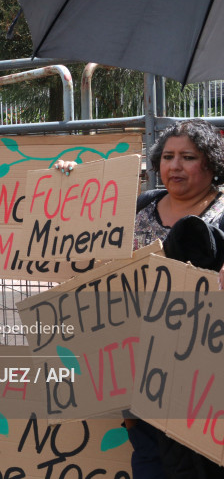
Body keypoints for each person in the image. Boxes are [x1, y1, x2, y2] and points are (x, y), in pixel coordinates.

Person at [55, 118, 224, 478]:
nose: (175, 166)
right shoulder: (142, 203)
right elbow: (83, 229)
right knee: (148, 457)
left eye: (188, 157)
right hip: (137, 361)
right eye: (168, 157)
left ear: (211, 164)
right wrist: (70, 180)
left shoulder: (222, 212)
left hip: (200, 371)